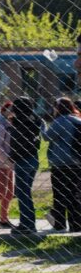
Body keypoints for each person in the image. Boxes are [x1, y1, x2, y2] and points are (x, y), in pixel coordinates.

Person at [42, 97, 81, 232]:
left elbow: (47, 137)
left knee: (59, 193)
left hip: (61, 162)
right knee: (74, 193)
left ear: (58, 108)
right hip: (77, 161)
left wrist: (42, 127)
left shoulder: (60, 121)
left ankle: (59, 224)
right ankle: (76, 224)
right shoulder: (77, 120)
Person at [8, 97, 42, 235]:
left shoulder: (21, 123)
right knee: (26, 192)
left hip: (23, 160)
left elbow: (18, 143)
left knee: (22, 193)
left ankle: (26, 224)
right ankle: (29, 223)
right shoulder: (34, 120)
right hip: (33, 158)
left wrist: (12, 156)